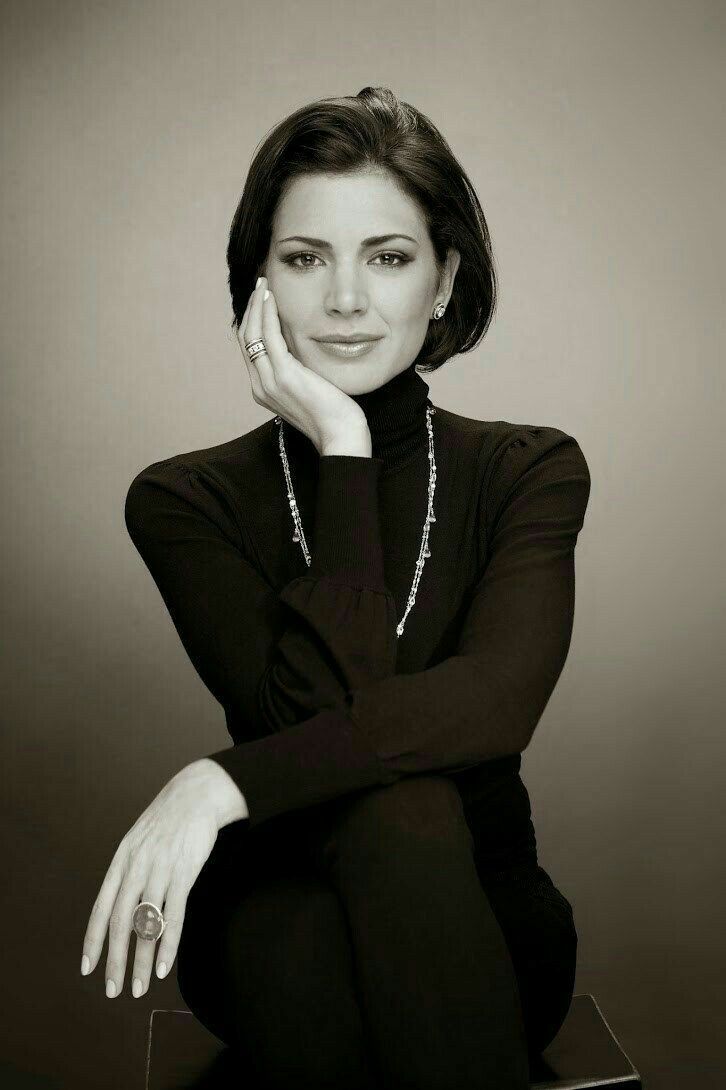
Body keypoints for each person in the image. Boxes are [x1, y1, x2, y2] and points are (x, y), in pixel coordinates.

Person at [80, 86, 591, 1089]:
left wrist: (221, 781)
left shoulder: (529, 469)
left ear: (444, 281)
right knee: (332, 895)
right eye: (305, 259)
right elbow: (301, 712)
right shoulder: (187, 499)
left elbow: (497, 701)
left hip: (484, 911)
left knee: (413, 815)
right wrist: (344, 446)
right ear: (257, 283)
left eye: (388, 258)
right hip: (276, 901)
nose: (346, 300)